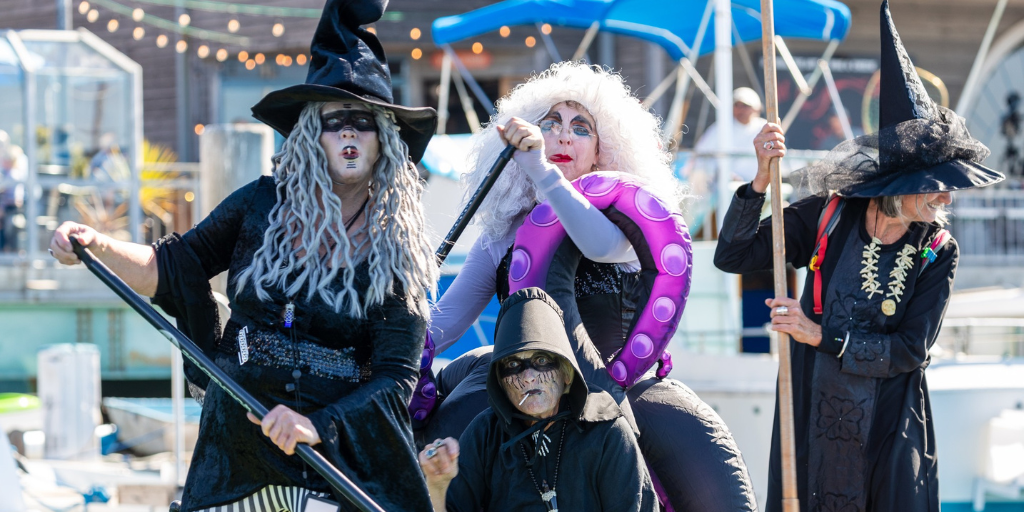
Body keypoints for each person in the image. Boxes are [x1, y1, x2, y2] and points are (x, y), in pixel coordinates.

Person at [49, 1, 439, 510]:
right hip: (236, 455)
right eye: (334, 120)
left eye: (363, 121)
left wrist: (317, 424)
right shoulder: (260, 203)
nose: (348, 131)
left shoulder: (396, 244)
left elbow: (395, 380)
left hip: (341, 470)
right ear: (308, 137)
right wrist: (94, 245)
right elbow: (173, 267)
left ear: (384, 140)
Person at [418, 62, 758, 511]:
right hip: (516, 386)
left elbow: (596, 243)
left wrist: (543, 171)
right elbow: (448, 321)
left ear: (603, 149)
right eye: (550, 123)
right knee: (417, 467)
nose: (562, 136)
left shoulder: (624, 224)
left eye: (581, 127)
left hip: (620, 385)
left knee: (714, 480)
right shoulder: (500, 236)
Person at [713, 2, 1004, 511]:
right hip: (811, 413)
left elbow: (911, 350)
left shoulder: (939, 249)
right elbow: (733, 254)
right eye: (938, 187)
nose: (947, 199)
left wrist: (820, 334)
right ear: (902, 185)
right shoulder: (829, 214)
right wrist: (760, 178)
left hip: (890, 431)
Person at [419, 288, 657, 511]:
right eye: (513, 365)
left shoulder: (608, 433)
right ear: (500, 381)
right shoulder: (485, 433)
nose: (528, 376)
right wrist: (438, 486)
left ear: (566, 373)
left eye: (542, 360)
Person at [692, 86, 768, 183]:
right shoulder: (719, 128)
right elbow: (700, 156)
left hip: (760, 185)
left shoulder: (764, 127)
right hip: (724, 186)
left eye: (745, 106)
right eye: (737, 105)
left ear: (756, 108)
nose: (740, 110)